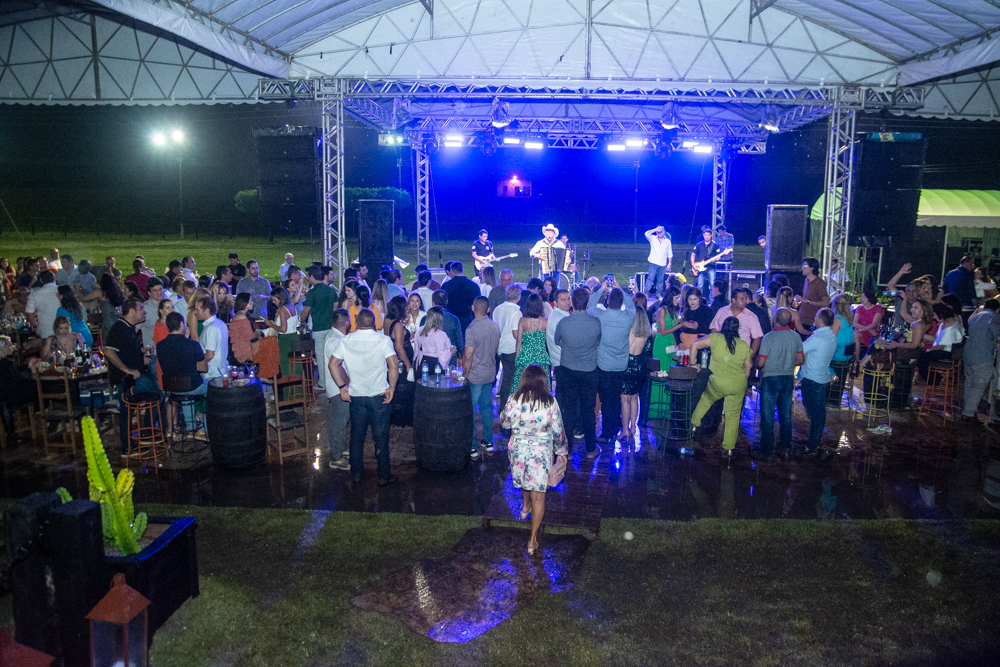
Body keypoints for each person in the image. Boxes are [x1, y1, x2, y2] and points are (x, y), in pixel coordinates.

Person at [328, 308, 399, 487]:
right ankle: (383, 476)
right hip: (379, 396)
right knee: (381, 437)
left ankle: (357, 474)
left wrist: (342, 387)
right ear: (374, 323)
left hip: (357, 397)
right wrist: (392, 388)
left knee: (357, 437)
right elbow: (393, 365)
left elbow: (332, 364)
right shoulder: (383, 340)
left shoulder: (346, 340)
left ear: (356, 323)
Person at [502, 364, 568, 556]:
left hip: (518, 451)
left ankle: (525, 507)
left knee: (524, 480)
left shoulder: (514, 399)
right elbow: (558, 431)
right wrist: (562, 452)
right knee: (538, 497)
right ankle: (532, 541)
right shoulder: (550, 402)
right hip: (540, 454)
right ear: (544, 381)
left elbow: (505, 424)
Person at [688, 316, 753, 457]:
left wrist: (693, 364)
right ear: (737, 328)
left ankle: (694, 425)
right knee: (733, 416)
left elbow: (694, 344)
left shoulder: (716, 338)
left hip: (718, 382)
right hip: (738, 384)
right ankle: (728, 448)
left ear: (723, 326)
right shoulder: (743, 344)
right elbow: (748, 366)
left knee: (706, 399)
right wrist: (743, 380)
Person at [104, 298, 159, 455]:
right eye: (141, 308)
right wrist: (127, 370)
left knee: (128, 410)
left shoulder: (129, 328)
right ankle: (136, 441)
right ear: (132, 311)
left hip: (133, 378)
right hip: (127, 380)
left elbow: (126, 352)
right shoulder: (119, 328)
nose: (144, 311)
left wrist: (141, 357)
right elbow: (109, 351)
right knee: (158, 394)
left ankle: (137, 439)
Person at [554, 287, 602, 457]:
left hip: (568, 370)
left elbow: (557, 341)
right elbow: (598, 341)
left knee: (569, 410)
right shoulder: (595, 322)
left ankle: (566, 450)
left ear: (572, 303)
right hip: (589, 371)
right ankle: (590, 449)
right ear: (587, 303)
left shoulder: (564, 323)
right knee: (588, 410)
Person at [588, 278, 636, 444]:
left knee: (607, 401)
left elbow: (590, 307)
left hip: (604, 366)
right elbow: (632, 306)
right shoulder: (627, 316)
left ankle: (608, 433)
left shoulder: (601, 315)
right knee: (615, 399)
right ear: (621, 302)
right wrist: (620, 289)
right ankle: (615, 428)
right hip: (621, 366)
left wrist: (601, 290)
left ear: (608, 301)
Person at [756, 308, 803, 461]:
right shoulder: (796, 336)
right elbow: (800, 360)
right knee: (785, 414)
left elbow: (761, 363)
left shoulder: (769, 337)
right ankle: (785, 449)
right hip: (787, 378)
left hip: (770, 378)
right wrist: (787, 364)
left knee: (767, 415)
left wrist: (758, 365)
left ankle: (767, 451)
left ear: (774, 319)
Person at [156, 312, 208, 437]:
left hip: (172, 388)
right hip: (192, 386)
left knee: (185, 390)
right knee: (213, 389)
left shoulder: (160, 345)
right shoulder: (192, 344)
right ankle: (205, 428)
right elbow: (204, 368)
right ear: (181, 324)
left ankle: (191, 428)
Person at [464, 296, 500, 460]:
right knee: (486, 407)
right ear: (488, 309)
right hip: (490, 372)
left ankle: (472, 446)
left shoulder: (471, 329)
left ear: (473, 308)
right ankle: (489, 441)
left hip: (475, 375)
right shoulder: (495, 326)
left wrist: (465, 375)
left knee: (471, 410)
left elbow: (468, 355)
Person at [799, 308, 837, 454]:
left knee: (814, 413)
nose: (814, 318)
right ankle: (816, 440)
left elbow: (800, 350)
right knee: (819, 412)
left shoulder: (817, 338)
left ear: (820, 320)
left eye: (816, 316)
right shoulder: (831, 336)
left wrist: (806, 354)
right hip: (822, 378)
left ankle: (813, 444)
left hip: (812, 379)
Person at [299, 265, 337, 392]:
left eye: (308, 276)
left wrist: (299, 320)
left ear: (312, 277)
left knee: (320, 357)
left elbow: (305, 313)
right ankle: (333, 380)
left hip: (318, 328)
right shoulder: (331, 291)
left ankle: (323, 382)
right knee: (332, 355)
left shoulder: (312, 293)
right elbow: (336, 309)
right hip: (331, 328)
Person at [324, 309, 353, 470]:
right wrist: (346, 385)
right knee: (338, 422)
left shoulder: (335, 336)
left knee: (342, 419)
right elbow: (337, 366)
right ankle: (336, 457)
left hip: (338, 386)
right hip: (338, 388)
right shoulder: (335, 340)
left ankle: (341, 449)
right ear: (347, 322)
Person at [963, 298, 1000, 421]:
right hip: (983, 357)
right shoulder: (993, 317)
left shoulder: (974, 317)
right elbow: (996, 333)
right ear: (997, 309)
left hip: (968, 355)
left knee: (969, 384)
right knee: (978, 386)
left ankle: (968, 411)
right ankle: (968, 413)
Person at [621, 307, 653, 439]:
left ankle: (625, 430)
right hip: (640, 366)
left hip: (626, 365)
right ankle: (633, 427)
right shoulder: (646, 333)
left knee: (625, 399)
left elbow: (622, 348)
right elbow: (648, 350)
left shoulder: (627, 331)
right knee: (635, 398)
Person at [511, 293, 550, 394]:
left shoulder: (522, 321)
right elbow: (548, 341)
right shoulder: (545, 321)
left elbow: (519, 341)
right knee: (541, 389)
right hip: (541, 357)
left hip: (525, 357)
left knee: (521, 388)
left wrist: (517, 358)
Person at [493, 285, 523, 408]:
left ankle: (505, 405)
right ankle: (505, 407)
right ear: (519, 297)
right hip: (511, 349)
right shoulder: (516, 312)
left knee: (506, 377)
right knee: (509, 380)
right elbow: (516, 334)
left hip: (500, 348)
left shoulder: (498, 309)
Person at [917, 302, 963, 380]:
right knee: (921, 355)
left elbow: (942, 345)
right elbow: (938, 339)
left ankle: (935, 379)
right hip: (946, 350)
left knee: (922, 357)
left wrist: (929, 350)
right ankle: (935, 378)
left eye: (935, 315)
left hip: (948, 352)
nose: (934, 317)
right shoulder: (945, 323)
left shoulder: (948, 324)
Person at [709, 287, 763, 353]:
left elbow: (757, 338)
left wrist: (750, 355)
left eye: (746, 298)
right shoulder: (722, 311)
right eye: (742, 299)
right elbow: (714, 330)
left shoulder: (751, 316)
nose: (745, 301)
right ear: (733, 300)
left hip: (741, 354)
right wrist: (714, 349)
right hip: (722, 352)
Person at [264, 287, 298, 378]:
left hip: (285, 340)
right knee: (295, 365)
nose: (273, 302)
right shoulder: (292, 306)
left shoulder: (283, 310)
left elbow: (283, 329)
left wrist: (271, 325)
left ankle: (288, 386)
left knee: (286, 366)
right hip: (294, 338)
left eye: (275, 300)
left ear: (280, 298)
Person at [193, 296, 228, 380]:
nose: (195, 312)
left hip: (212, 374)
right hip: (221, 371)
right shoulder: (220, 323)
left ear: (207, 310)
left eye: (197, 310)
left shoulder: (211, 328)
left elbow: (209, 355)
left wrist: (196, 365)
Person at [441, 261, 480, 332]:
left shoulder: (446, 286)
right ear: (463, 270)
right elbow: (478, 304)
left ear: (452, 271)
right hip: (469, 320)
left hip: (451, 319)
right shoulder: (474, 286)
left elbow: (442, 304)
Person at [676, 287, 712, 362]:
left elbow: (710, 330)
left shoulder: (707, 311)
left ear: (699, 298)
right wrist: (679, 342)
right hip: (684, 345)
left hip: (699, 345)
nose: (692, 302)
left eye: (695, 299)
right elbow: (677, 329)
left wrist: (698, 327)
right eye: (690, 299)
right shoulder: (684, 309)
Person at [412, 306, 454, 371]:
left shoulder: (419, 330)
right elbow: (443, 358)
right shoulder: (441, 335)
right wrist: (451, 352)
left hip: (421, 364)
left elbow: (416, 350)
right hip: (434, 367)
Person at [383, 296, 414, 380]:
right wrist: (408, 365)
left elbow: (391, 336)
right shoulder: (397, 325)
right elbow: (399, 348)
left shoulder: (387, 319)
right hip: (402, 362)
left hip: (393, 358)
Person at [428, 290, 463, 362]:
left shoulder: (425, 319)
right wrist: (460, 355)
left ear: (433, 303)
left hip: (430, 358)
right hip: (450, 359)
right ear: (446, 302)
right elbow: (459, 342)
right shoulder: (454, 319)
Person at [797, 256, 830, 329]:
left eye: (805, 265)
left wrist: (807, 301)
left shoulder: (820, 283)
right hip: (802, 319)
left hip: (812, 321)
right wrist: (800, 302)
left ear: (812, 268)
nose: (802, 268)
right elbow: (807, 299)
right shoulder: (806, 280)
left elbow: (825, 303)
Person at [26, 270, 61, 338]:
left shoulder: (34, 294)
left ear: (41, 280)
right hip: (64, 329)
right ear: (54, 278)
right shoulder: (63, 290)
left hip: (45, 330)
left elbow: (29, 313)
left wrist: (35, 326)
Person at [690, 226, 725, 295]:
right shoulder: (699, 245)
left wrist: (715, 260)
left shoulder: (715, 245)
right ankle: (699, 299)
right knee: (700, 285)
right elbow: (693, 254)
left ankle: (712, 300)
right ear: (703, 235)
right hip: (700, 267)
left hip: (711, 267)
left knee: (712, 285)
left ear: (711, 235)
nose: (707, 237)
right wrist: (693, 264)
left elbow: (718, 257)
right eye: (705, 235)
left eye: (708, 235)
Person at [852, 289, 883, 363]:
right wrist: (866, 329)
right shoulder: (859, 308)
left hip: (872, 332)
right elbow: (854, 323)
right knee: (856, 335)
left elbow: (874, 323)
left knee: (856, 335)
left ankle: (859, 360)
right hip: (862, 330)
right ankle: (857, 359)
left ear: (869, 298)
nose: (861, 299)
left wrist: (863, 329)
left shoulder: (877, 309)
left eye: (863, 297)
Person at [228, 293, 259, 364]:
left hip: (238, 349)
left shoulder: (238, 315)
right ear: (245, 303)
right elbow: (249, 336)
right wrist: (257, 334)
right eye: (250, 301)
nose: (252, 302)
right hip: (244, 351)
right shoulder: (243, 318)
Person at [546, 289, 571, 373]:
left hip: (559, 361)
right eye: (563, 300)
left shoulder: (556, 314)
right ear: (555, 303)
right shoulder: (560, 318)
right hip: (563, 362)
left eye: (568, 299)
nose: (567, 302)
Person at [644, 226, 673, 297]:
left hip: (662, 264)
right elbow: (646, 234)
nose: (659, 233)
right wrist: (655, 229)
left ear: (664, 232)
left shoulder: (667, 241)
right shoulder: (653, 238)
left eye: (661, 232)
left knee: (660, 280)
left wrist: (669, 263)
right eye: (658, 232)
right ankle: (646, 293)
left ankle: (658, 294)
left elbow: (670, 253)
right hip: (653, 262)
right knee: (650, 278)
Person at [152, 298, 173, 389]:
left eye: (172, 307)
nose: (171, 310)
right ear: (161, 311)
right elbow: (164, 349)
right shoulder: (160, 327)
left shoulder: (168, 325)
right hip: (165, 364)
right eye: (167, 308)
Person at [830, 294, 855, 363]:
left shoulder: (837, 320)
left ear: (836, 305)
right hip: (848, 354)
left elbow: (831, 338)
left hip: (838, 355)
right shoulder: (850, 317)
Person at [99, 273, 124, 341]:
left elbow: (84, 298)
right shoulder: (116, 293)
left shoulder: (102, 293)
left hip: (108, 322)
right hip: (117, 321)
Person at [140, 280, 165, 346]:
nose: (159, 292)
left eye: (160, 289)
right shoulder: (144, 309)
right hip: (153, 349)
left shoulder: (169, 305)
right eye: (155, 290)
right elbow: (135, 330)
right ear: (149, 293)